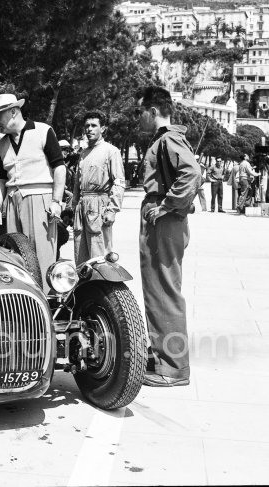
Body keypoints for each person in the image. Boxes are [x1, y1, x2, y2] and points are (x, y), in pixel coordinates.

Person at [136, 86, 201, 388]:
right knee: (158, 290)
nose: (139, 118)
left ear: (152, 111)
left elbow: (192, 174)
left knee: (163, 291)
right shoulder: (164, 140)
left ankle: (172, 368)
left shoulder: (168, 139)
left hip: (164, 223)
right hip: (163, 222)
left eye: (140, 112)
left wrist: (165, 205)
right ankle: (165, 357)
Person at [0, 94, 65, 293]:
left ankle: (48, 302)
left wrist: (56, 201)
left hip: (40, 199)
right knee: (15, 253)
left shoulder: (43, 131)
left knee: (42, 254)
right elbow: (0, 179)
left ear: (13, 112)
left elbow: (59, 167)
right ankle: (24, 300)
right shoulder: (1, 144)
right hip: (13, 201)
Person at [72, 110, 126, 264]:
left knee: (100, 256)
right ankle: (84, 288)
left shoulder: (111, 151)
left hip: (99, 207)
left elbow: (119, 182)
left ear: (103, 129)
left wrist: (112, 210)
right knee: (80, 256)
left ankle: (102, 287)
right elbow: (77, 184)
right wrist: (73, 207)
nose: (89, 129)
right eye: (87, 126)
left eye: (94, 125)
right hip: (82, 208)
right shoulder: (83, 153)